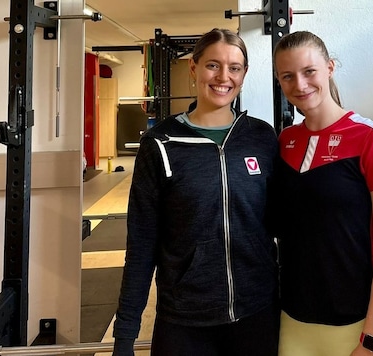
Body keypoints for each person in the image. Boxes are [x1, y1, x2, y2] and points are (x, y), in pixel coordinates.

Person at [113, 28, 280, 356]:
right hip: (185, 322)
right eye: (212, 65)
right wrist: (125, 334)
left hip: (257, 313)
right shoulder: (161, 144)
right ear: (194, 68)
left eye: (234, 68)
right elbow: (142, 243)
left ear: (244, 74)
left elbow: (282, 224)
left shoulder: (261, 138)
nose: (223, 77)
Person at [271, 31, 373, 356]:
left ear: (330, 67)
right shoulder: (283, 143)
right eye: (287, 76)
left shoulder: (371, 138)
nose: (300, 85)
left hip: (359, 327)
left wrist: (372, 341)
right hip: (295, 324)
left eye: (309, 72)